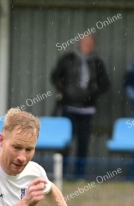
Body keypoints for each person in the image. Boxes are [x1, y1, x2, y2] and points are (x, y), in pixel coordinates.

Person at [50, 34, 110, 179]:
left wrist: (92, 94)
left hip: (87, 109)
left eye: (91, 43)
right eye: (85, 42)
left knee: (83, 144)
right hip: (68, 107)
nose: (88, 45)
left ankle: (79, 174)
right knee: (64, 141)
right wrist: (65, 91)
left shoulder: (97, 63)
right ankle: (61, 174)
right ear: (79, 43)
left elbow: (105, 83)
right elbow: (55, 76)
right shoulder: (68, 59)